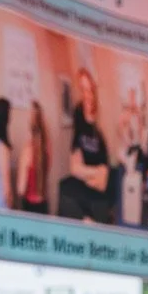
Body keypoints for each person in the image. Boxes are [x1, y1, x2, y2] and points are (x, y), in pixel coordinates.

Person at [57, 67, 113, 223]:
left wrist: (88, 173)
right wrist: (95, 172)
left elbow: (102, 182)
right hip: (82, 193)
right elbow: (74, 169)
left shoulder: (101, 121)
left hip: (99, 199)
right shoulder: (78, 117)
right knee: (64, 190)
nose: (87, 96)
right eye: (83, 90)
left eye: (90, 90)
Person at [15, 99, 50, 213]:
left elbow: (21, 188)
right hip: (44, 206)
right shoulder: (48, 148)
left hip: (29, 208)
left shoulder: (27, 150)